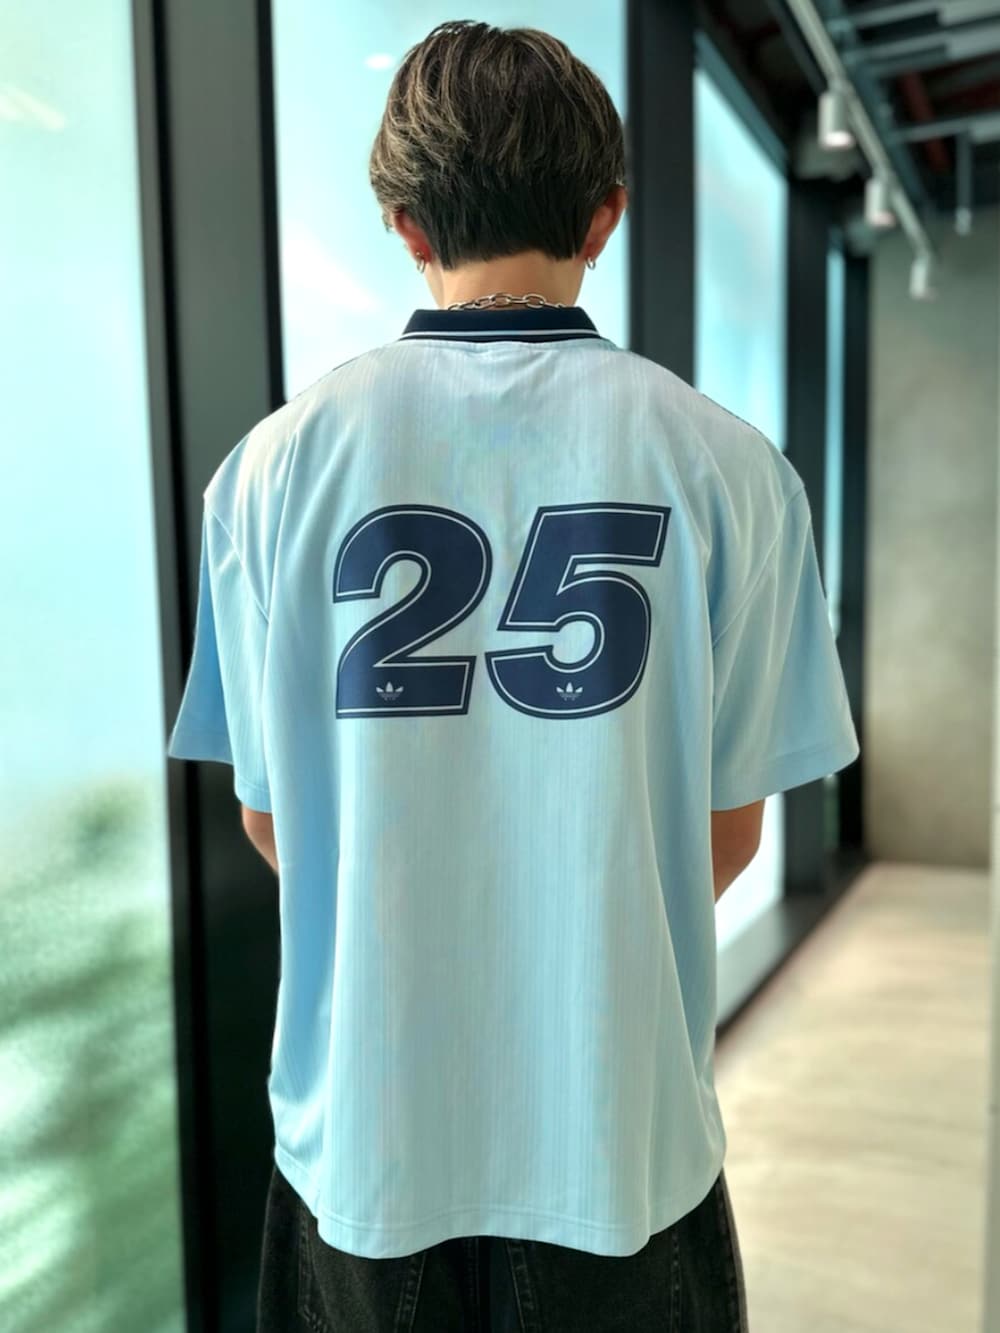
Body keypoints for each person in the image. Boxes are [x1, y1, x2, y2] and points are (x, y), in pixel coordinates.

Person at [166, 18, 859, 1332]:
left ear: (404, 226)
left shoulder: (268, 471)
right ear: (606, 217)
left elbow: (272, 821)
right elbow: (724, 838)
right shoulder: (733, 470)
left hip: (365, 1151)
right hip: (620, 1144)